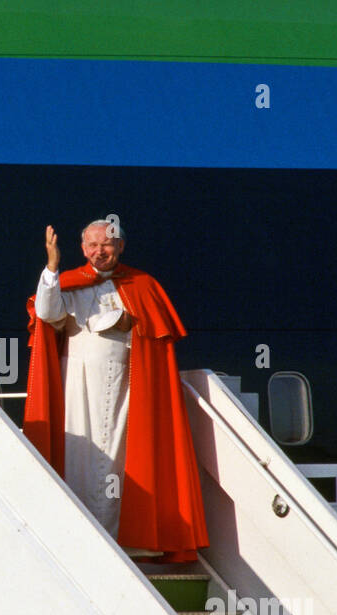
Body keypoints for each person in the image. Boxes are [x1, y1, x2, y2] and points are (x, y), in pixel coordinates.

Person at [23, 219, 208, 562]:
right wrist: (51, 267)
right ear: (82, 250)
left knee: (124, 463)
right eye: (92, 245)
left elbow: (144, 330)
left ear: (120, 247)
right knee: (78, 458)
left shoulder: (142, 284)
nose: (99, 251)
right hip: (77, 383)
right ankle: (78, 538)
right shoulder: (70, 283)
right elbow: (47, 312)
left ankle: (129, 540)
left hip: (125, 385)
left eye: (106, 245)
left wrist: (121, 323)